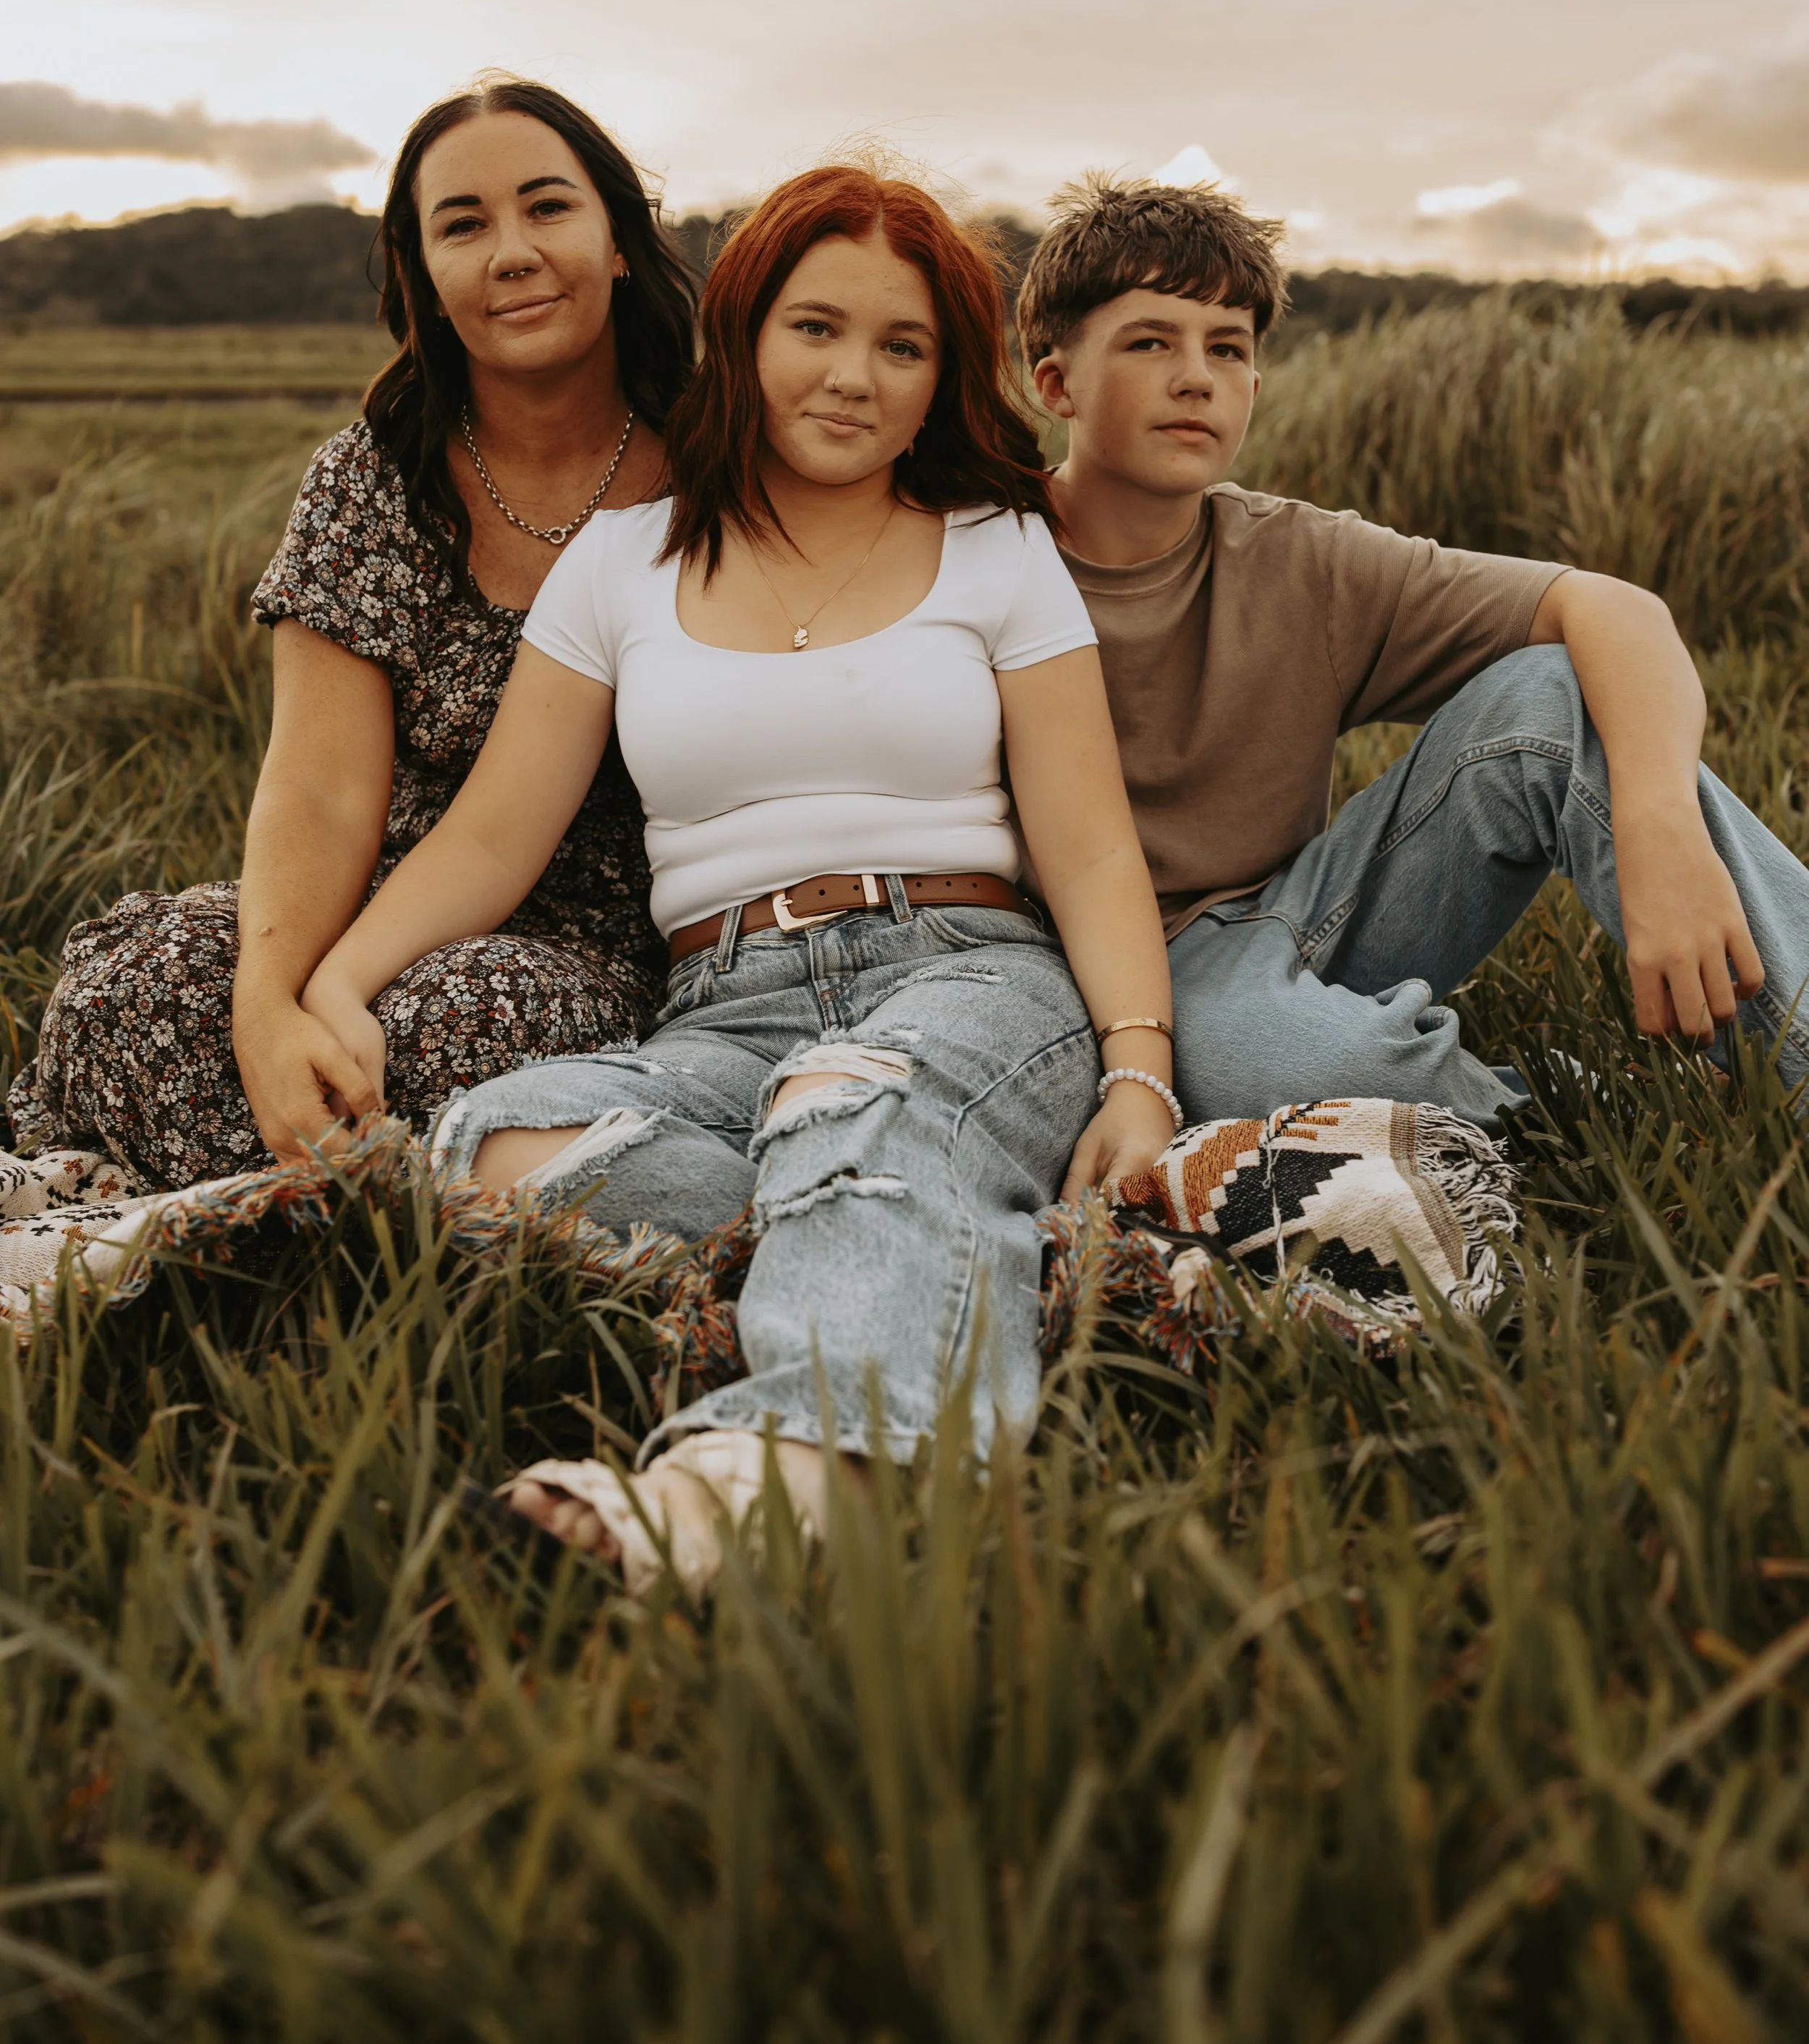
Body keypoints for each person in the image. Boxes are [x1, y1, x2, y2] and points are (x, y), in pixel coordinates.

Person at [301, 163, 1180, 1594]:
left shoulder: (998, 549)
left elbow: (1087, 844)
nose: (853, 376)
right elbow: (492, 834)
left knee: (854, 1102)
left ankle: (754, 1492)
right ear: (746, 336)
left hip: (962, 967)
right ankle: (922, 1231)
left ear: (941, 379)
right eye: (815, 328)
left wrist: (1137, 1070)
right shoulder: (623, 563)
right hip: (724, 1007)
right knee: (496, 1140)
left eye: (903, 347)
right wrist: (337, 979)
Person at [8, 78, 691, 1188]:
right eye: (463, 225)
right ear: (425, 278)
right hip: (369, 912)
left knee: (450, 1019)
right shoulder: (376, 479)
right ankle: (347, 1190)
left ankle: (271, 1199)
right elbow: (320, 791)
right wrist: (268, 1009)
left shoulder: (720, 467)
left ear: (617, 241)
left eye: (547, 207)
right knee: (129, 990)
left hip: (601, 947)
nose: (512, 252)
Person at [1018, 173, 1809, 1131]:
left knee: (1552, 695)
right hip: (1067, 973)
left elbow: (1614, 610)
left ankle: (1797, 1057)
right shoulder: (974, 559)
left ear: (1255, 387)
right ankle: (1574, 1116)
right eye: (1150, 342)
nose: (1197, 377)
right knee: (1283, 1065)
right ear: (1055, 383)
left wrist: (1657, 825)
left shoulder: (1304, 560)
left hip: (1299, 918)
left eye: (1227, 348)